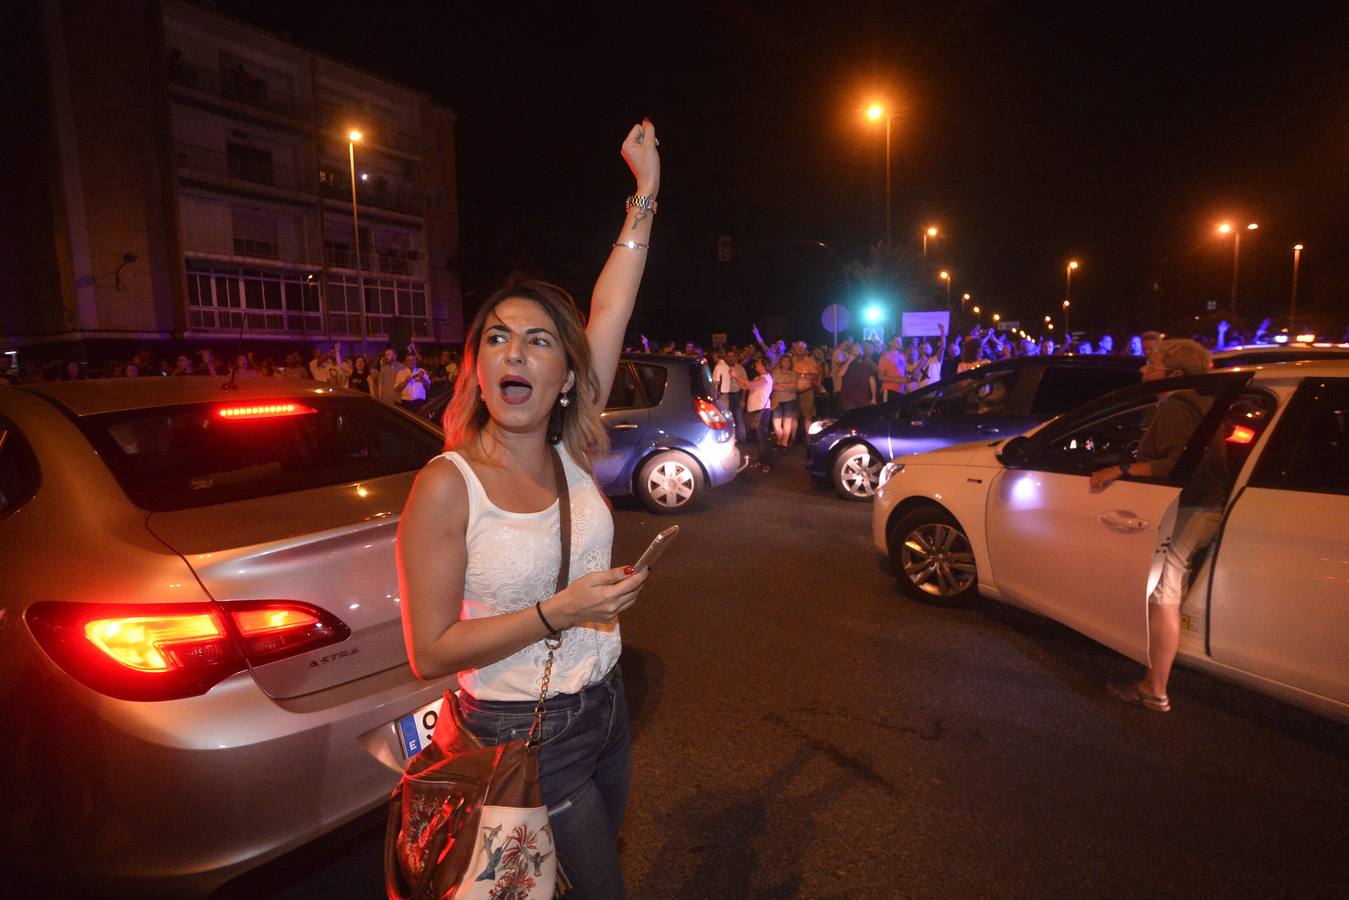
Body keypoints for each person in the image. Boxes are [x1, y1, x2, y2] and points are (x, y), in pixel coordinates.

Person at [397, 119, 658, 899]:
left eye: (539, 340)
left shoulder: (571, 452)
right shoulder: (447, 484)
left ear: (566, 376)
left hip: (605, 711)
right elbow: (431, 652)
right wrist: (562, 609)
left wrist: (644, 196)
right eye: (499, 338)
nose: (515, 351)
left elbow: (609, 308)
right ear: (477, 370)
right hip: (521, 737)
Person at [1090, 339, 1226, 713]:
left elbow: (1177, 465)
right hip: (1202, 505)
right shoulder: (1203, 402)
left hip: (1189, 508)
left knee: (1164, 595)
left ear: (1176, 375)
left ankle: (1155, 689)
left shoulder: (1178, 406)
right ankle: (1153, 680)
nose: (1143, 371)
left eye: (1151, 365)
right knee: (1165, 591)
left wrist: (1118, 470)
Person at [732, 355, 774, 471]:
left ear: (764, 365)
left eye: (758, 363)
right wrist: (735, 377)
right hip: (757, 411)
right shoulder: (758, 378)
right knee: (760, 438)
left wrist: (736, 375)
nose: (756, 364)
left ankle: (767, 464)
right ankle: (762, 462)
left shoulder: (766, 378)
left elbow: (749, 385)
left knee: (762, 438)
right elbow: (744, 386)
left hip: (762, 411)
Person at [791, 341, 822, 440]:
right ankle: (792, 439)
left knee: (807, 417)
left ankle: (809, 440)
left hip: (807, 393)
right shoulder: (791, 361)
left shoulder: (810, 361)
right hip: (792, 393)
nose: (800, 350)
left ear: (806, 350)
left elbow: (816, 375)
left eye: (802, 348)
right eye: (798, 348)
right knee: (793, 417)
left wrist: (801, 375)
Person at [837, 343, 877, 410]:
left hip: (863, 399)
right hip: (848, 399)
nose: (856, 352)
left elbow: (872, 382)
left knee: (862, 419)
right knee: (850, 419)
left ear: (862, 352)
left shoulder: (867, 364)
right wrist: (849, 361)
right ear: (851, 352)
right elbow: (840, 374)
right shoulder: (845, 363)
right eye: (854, 350)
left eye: (858, 349)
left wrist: (873, 398)